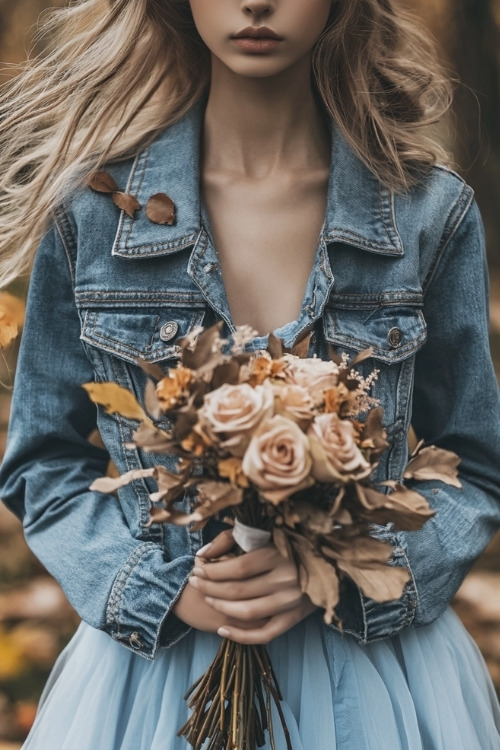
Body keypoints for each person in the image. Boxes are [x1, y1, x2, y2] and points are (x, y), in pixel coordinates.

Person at [0, 0, 500, 747]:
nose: (256, 3)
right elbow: (43, 465)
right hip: (151, 678)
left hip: (379, 678)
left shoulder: (428, 212)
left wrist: (346, 574)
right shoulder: (97, 215)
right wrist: (164, 592)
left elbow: (479, 466)